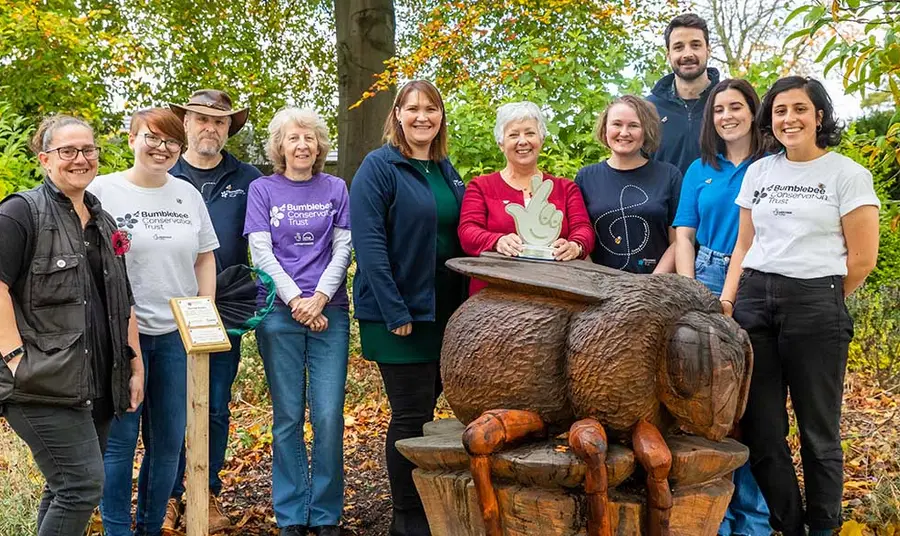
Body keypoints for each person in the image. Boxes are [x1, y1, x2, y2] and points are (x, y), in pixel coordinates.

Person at [720, 77, 880, 536]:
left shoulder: (846, 174)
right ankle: (789, 526)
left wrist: (821, 301)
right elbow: (743, 244)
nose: (789, 118)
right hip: (754, 302)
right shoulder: (760, 172)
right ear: (770, 120)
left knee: (818, 432)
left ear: (819, 117)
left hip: (815, 302)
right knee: (763, 432)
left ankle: (824, 527)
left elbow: (862, 259)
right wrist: (729, 298)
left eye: (800, 109)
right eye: (780, 111)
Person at [0, 115, 144, 536]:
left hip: (95, 380)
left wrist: (134, 365)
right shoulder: (20, 213)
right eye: (68, 151)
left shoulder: (104, 222)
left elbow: (123, 299)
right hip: (40, 381)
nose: (80, 159)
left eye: (88, 150)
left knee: (66, 487)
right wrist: (14, 358)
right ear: (45, 159)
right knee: (81, 486)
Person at [91, 108, 219, 536]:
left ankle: (149, 528)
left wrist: (205, 311)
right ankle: (116, 530)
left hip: (175, 336)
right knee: (120, 444)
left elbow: (205, 257)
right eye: (152, 138)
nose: (161, 148)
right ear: (131, 139)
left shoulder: (187, 194)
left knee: (166, 445)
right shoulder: (101, 191)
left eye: (171, 142)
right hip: (121, 338)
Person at [350, 80, 467, 536]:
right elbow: (371, 244)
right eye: (413, 108)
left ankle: (423, 507)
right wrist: (395, 310)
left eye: (431, 109)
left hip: (442, 310)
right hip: (397, 314)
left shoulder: (443, 168)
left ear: (440, 117)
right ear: (397, 114)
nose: (423, 116)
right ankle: (407, 518)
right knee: (409, 415)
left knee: (427, 406)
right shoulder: (380, 167)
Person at [243, 107, 351, 536]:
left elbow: (343, 248)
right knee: (287, 415)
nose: (302, 145)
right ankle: (291, 513)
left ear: (320, 145)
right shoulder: (262, 189)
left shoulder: (336, 187)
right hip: (278, 313)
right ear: (280, 147)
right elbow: (261, 252)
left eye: (309, 138)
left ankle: (325, 513)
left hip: (331, 312)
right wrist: (296, 302)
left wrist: (320, 298)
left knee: (327, 414)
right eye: (293, 139)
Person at [671, 78, 771, 536]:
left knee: (751, 405)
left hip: (759, 277)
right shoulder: (699, 168)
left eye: (736, 106)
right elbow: (684, 235)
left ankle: (752, 518)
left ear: (753, 111)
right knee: (709, 406)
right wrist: (691, 291)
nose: (726, 115)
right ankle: (714, 516)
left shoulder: (772, 165)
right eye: (718, 109)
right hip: (705, 273)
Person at [166, 88, 262, 531]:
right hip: (163, 309)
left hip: (222, 309)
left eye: (220, 122)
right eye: (201, 119)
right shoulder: (164, 172)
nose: (210, 128)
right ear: (184, 122)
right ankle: (166, 494)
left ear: (229, 129)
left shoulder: (249, 179)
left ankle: (206, 492)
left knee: (216, 405)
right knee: (168, 405)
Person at [458, 101, 594, 293]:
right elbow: (467, 231)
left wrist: (575, 246)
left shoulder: (566, 188)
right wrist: (496, 241)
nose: (523, 141)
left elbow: (583, 228)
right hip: (493, 295)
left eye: (530, 133)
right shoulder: (480, 186)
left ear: (542, 139)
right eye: (513, 135)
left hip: (556, 292)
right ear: (501, 143)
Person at [575, 95, 683, 273]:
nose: (624, 132)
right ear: (605, 129)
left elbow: (678, 240)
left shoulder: (669, 176)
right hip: (599, 287)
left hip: (656, 288)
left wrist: (653, 284)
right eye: (617, 124)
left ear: (646, 131)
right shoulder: (585, 177)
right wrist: (597, 281)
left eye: (633, 125)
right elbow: (579, 237)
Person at [646, 13, 721, 174]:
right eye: (678, 47)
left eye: (695, 45)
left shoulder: (730, 103)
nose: (687, 54)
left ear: (708, 50)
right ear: (668, 55)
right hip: (664, 200)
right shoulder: (648, 110)